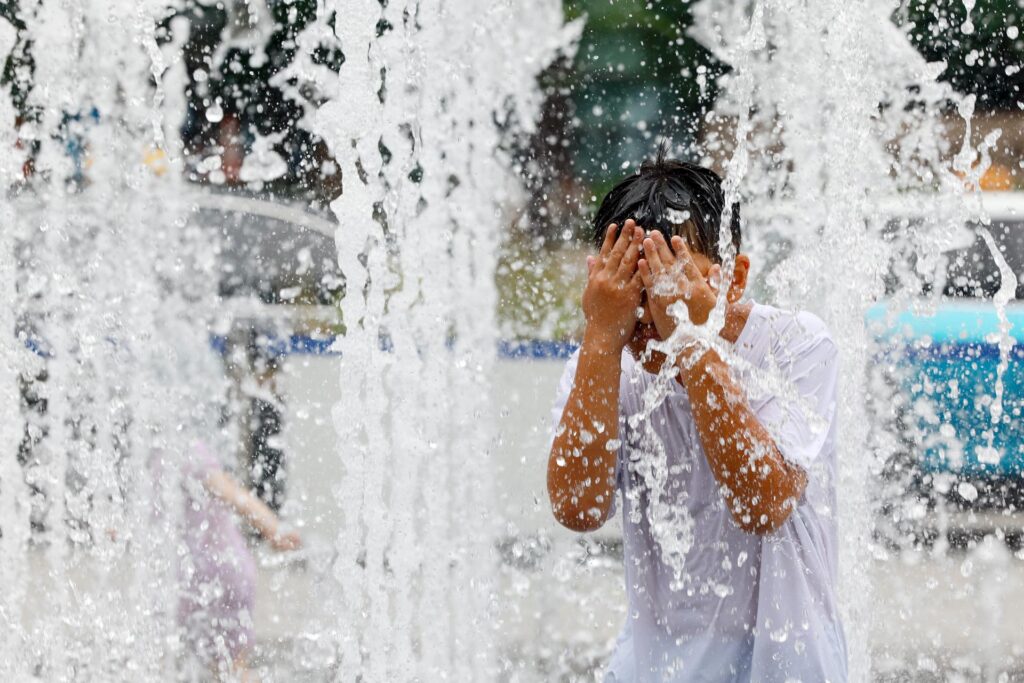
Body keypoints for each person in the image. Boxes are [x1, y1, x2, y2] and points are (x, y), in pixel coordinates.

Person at [547, 152, 847, 682]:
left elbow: (764, 502)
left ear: (733, 279)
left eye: (671, 294)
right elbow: (577, 508)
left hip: (786, 662)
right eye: (634, 304)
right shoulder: (605, 358)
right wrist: (599, 338)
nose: (651, 325)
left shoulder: (796, 347)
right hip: (655, 663)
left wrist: (691, 337)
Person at [178, 441, 302, 681]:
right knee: (230, 669)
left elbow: (226, 490)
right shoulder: (182, 449)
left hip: (210, 578)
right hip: (219, 575)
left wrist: (270, 525)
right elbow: (231, 492)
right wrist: (272, 526)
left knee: (216, 667)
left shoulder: (175, 451)